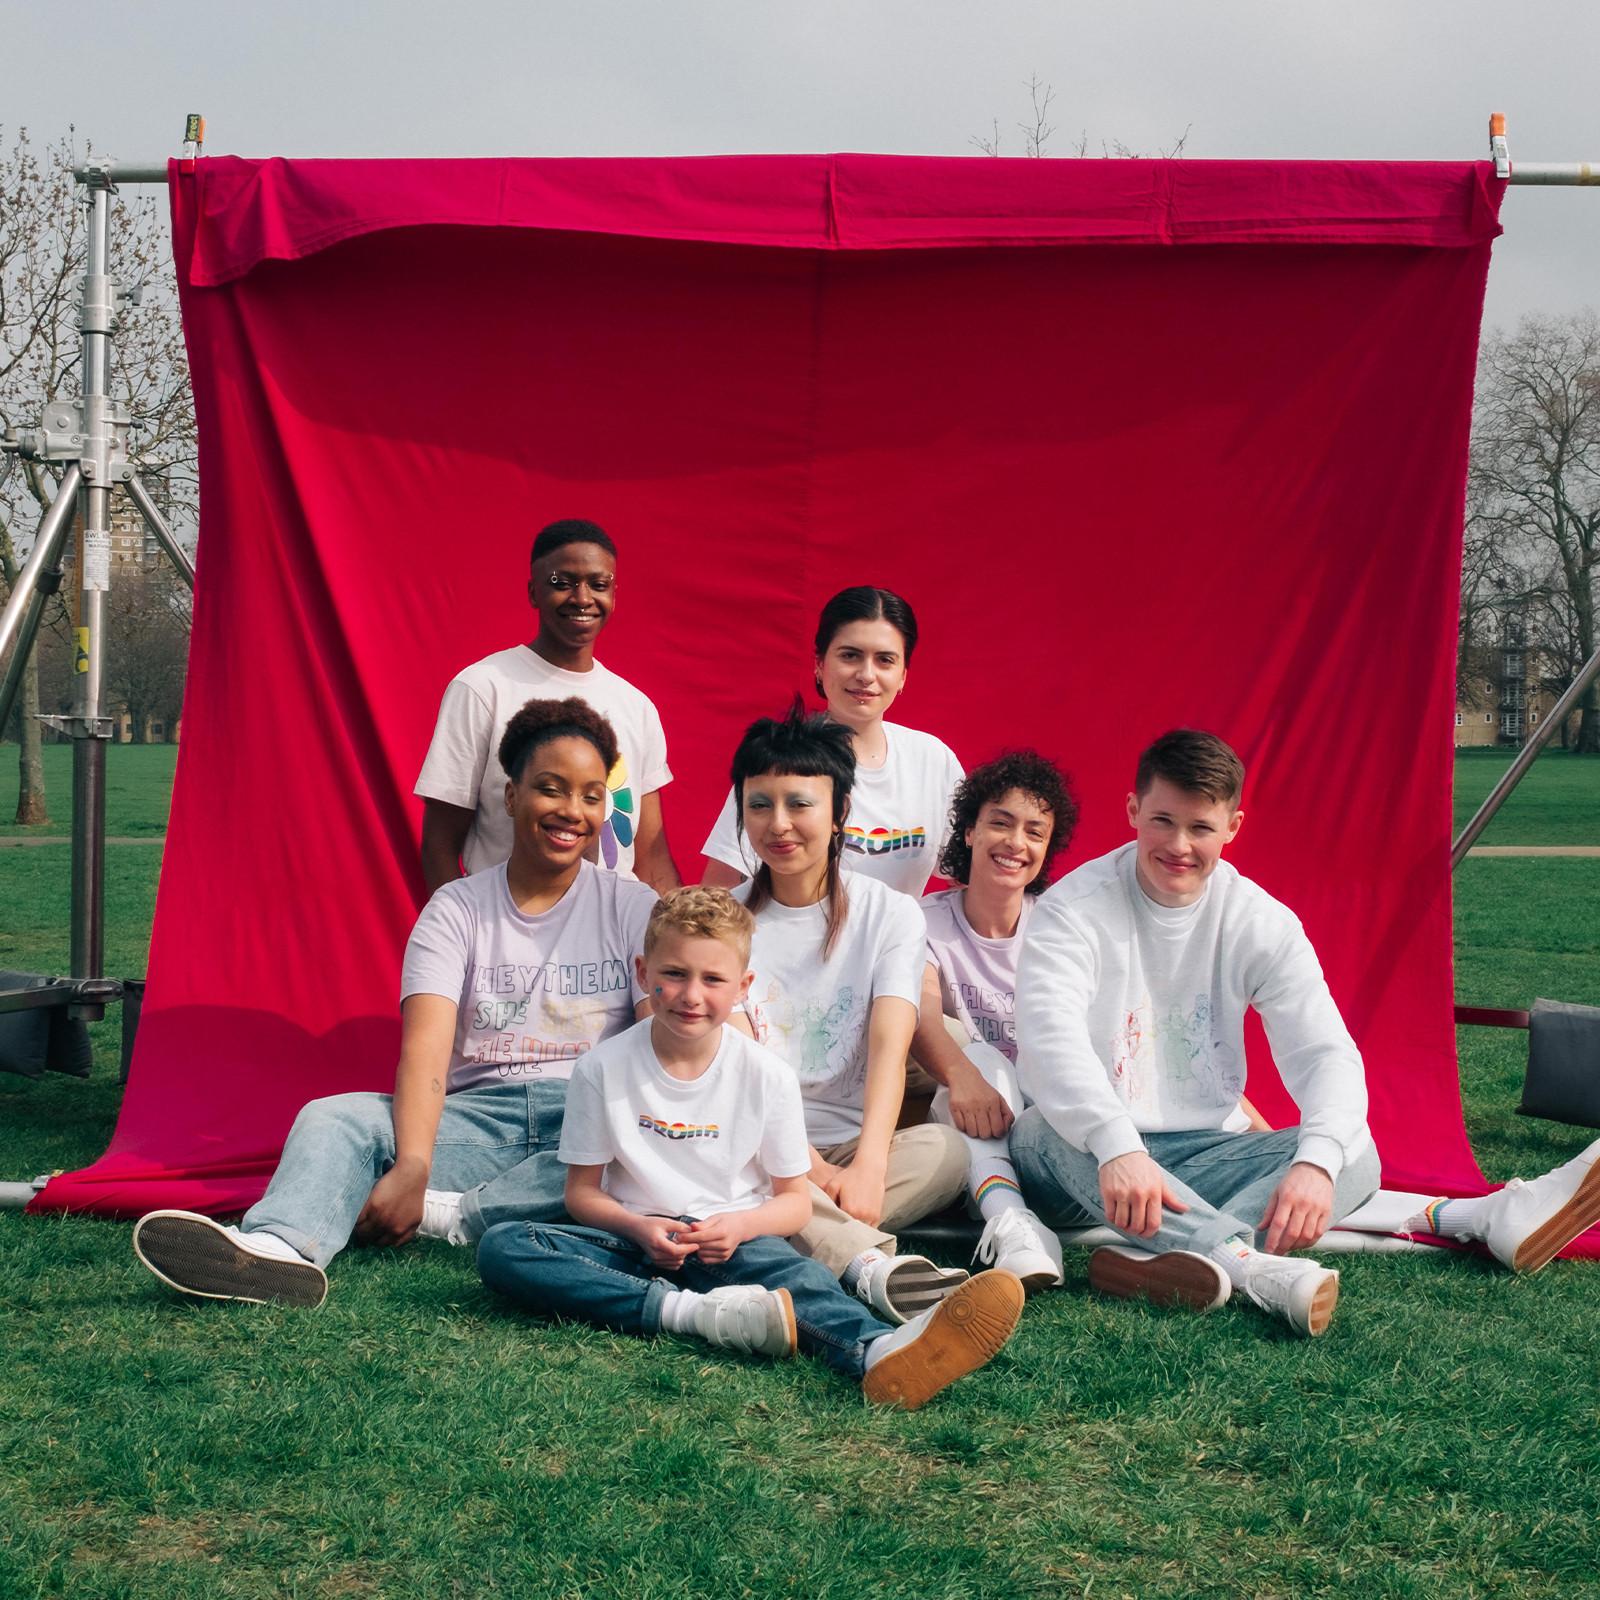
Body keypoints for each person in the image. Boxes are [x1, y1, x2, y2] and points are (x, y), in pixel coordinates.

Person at [1009, 728, 1600, 1337]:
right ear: (1133, 811)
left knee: (1352, 1150)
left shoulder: (1259, 920)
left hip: (1207, 1154)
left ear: (1233, 827)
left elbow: (1324, 1053)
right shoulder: (1073, 909)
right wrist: (1116, 1145)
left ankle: (1175, 1259)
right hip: (1081, 1162)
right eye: (1162, 821)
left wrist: (1316, 1165)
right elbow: (1051, 1044)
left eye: (1201, 828)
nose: (1179, 846)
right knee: (1038, 1127)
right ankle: (1247, 1265)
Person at [132, 699, 658, 1307]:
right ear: (511, 797)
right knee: (334, 1119)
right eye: (551, 789)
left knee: (644, 1141)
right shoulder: (456, 910)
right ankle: (276, 1251)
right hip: (480, 1123)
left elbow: (657, 1051)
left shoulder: (633, 906)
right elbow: (426, 1054)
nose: (573, 811)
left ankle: (457, 1214)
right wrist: (411, 1164)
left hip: (587, 1119)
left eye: (593, 796)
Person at [477, 887, 1025, 1410]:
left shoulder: (765, 1074)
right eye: (674, 974)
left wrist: (740, 1228)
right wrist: (635, 1227)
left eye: (713, 979)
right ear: (644, 975)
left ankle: (881, 1350)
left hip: (729, 1241)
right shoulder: (601, 1069)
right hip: (633, 1246)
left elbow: (792, 1202)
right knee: (505, 1248)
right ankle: (693, 1315)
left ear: (743, 986)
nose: (692, 995)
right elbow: (581, 1195)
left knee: (799, 1279)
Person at [724, 701, 973, 1324]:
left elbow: (892, 1047)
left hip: (849, 1147)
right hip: (755, 1148)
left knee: (949, 1152)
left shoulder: (889, 914)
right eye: (759, 804)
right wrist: (807, 1170)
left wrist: (867, 1166)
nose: (779, 824)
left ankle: (783, 1230)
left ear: (840, 814)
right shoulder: (720, 920)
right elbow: (739, 1074)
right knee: (733, 1171)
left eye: (800, 804)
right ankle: (874, 1267)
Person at [416, 518, 679, 893]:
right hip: (508, 935)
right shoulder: (482, 687)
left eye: (598, 585)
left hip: (614, 940)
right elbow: (439, 845)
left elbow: (651, 859)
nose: (583, 598)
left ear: (614, 595)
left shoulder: (637, 707)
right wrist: (459, 936)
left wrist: (674, 940)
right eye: (563, 583)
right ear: (533, 592)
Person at [911, 751, 1079, 1292]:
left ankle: (1017, 1216)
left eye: (1035, 831)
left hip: (1046, 1123)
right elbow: (919, 1014)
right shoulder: (923, 920)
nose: (1015, 843)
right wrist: (964, 1076)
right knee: (974, 1049)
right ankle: (1014, 1227)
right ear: (968, 832)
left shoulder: (1062, 924)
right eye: (1000, 823)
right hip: (965, 1116)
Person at [701, 587, 962, 899]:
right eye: (850, 655)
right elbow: (718, 893)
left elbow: (969, 878)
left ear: (903, 675)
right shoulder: (782, 760)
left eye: (885, 660)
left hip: (896, 947)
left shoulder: (933, 760)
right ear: (820, 664)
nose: (866, 675)